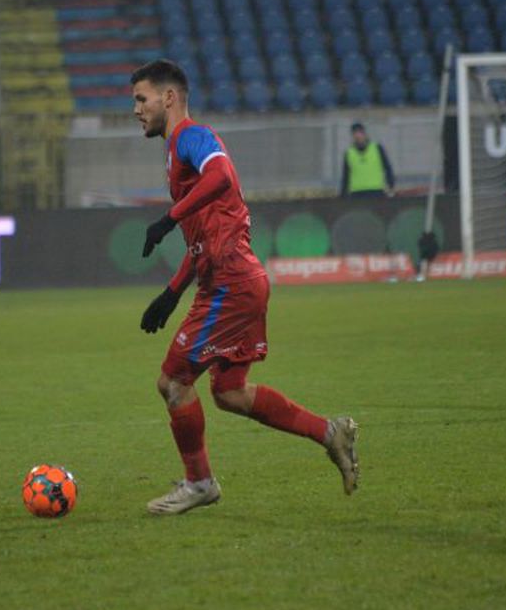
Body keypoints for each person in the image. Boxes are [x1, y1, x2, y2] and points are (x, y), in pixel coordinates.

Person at [131, 59, 359, 515]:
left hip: (231, 282)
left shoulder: (191, 137)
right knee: (229, 392)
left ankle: (200, 483)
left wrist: (167, 218)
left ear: (169, 98)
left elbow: (224, 177)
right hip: (234, 278)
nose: (136, 109)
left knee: (173, 383)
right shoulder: (176, 154)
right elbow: (202, 240)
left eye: (141, 99)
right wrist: (173, 293)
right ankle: (330, 432)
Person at [339, 122, 395, 197]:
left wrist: (390, 185)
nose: (358, 136)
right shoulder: (349, 153)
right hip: (356, 193)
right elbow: (346, 176)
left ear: (364, 134)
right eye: (355, 134)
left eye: (360, 133)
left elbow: (387, 168)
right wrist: (343, 194)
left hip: (376, 191)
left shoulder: (377, 148)